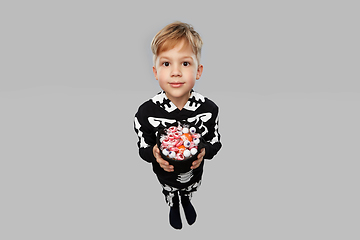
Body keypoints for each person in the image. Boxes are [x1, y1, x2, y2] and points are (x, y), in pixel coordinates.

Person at [134, 21, 222, 229]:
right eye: (166, 64)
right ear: (155, 72)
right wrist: (154, 153)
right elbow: (142, 147)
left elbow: (216, 141)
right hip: (164, 173)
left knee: (190, 187)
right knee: (170, 189)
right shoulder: (146, 112)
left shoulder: (209, 109)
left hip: (193, 172)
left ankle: (187, 199)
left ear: (198, 71)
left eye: (185, 63)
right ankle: (173, 202)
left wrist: (204, 151)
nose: (175, 72)